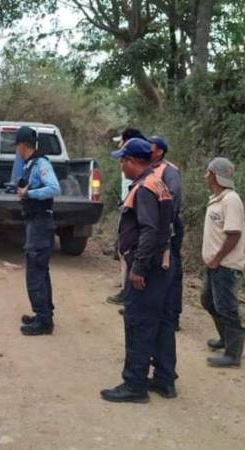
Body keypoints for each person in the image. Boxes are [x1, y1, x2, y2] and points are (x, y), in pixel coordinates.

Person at [101, 138, 176, 403]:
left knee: (138, 324)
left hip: (149, 268)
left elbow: (149, 230)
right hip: (164, 265)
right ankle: (165, 380)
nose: (121, 166)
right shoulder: (159, 183)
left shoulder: (144, 188)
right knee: (160, 324)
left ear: (132, 161)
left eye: (122, 161)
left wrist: (139, 268)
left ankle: (134, 384)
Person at [14, 127, 61, 336]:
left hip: (41, 223)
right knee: (40, 269)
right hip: (36, 222)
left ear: (22, 146)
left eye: (17, 146)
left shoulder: (41, 163)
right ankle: (44, 315)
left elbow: (53, 188)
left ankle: (43, 321)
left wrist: (29, 193)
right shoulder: (30, 164)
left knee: (35, 270)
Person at [201, 157, 245, 368]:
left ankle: (233, 354)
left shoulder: (231, 200)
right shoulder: (217, 199)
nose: (206, 176)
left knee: (227, 307)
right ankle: (225, 339)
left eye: (208, 172)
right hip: (215, 263)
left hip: (226, 264)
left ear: (214, 175)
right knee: (209, 301)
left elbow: (234, 233)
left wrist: (217, 258)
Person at [107, 128, 148, 307]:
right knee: (124, 253)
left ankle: (130, 293)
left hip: (131, 212)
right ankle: (127, 291)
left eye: (122, 140)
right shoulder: (136, 173)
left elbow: (151, 229)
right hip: (127, 210)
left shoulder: (146, 184)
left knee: (129, 254)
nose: (119, 144)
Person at [149, 136, 184, 331]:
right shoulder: (150, 168)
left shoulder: (169, 171)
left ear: (160, 151)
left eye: (150, 146)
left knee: (171, 270)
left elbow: (173, 198)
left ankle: (172, 315)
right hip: (155, 227)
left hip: (169, 226)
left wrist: (164, 225)